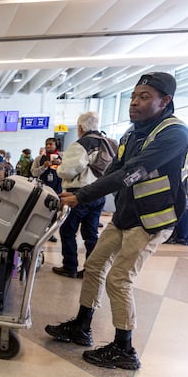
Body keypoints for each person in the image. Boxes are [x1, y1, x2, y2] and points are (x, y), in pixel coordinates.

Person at [44, 72, 188, 370]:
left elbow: (132, 171)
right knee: (95, 265)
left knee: (119, 278)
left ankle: (124, 348)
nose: (135, 103)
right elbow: (115, 169)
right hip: (125, 215)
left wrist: (82, 195)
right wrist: (80, 192)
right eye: (134, 96)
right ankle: (82, 327)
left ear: (165, 101)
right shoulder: (131, 133)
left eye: (145, 97)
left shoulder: (174, 133)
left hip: (150, 220)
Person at [52, 112, 107, 279]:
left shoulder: (82, 144)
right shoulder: (106, 142)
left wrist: (60, 168)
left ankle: (70, 266)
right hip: (99, 192)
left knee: (68, 230)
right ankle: (91, 270)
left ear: (81, 127)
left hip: (79, 194)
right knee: (91, 233)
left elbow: (68, 171)